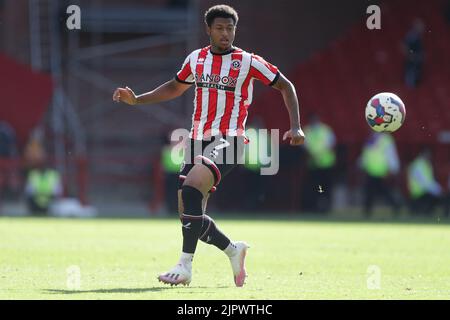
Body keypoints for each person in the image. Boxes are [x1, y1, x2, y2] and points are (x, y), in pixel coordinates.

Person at [113, 4, 305, 287]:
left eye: (230, 28)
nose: (225, 33)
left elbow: (285, 85)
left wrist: (296, 125)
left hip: (230, 139)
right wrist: (137, 99)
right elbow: (175, 86)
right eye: (220, 28)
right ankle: (233, 250)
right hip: (196, 139)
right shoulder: (196, 59)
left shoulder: (248, 61)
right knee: (189, 215)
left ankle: (184, 267)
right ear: (209, 30)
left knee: (191, 189)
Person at [359, 132, 401, 217]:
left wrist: (392, 169)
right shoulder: (371, 137)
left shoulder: (386, 139)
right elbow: (367, 153)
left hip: (382, 171)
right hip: (371, 170)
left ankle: (395, 206)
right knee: (372, 192)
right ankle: (367, 211)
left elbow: (391, 154)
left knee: (382, 192)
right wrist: (362, 164)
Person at [303, 114, 336, 213]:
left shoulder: (326, 130)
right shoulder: (307, 130)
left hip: (326, 164)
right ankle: (316, 207)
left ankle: (326, 207)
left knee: (326, 187)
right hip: (314, 165)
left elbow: (331, 144)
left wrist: (318, 154)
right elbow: (304, 145)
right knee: (316, 188)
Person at [406, 148, 446, 216]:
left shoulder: (427, 165)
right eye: (427, 154)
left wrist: (438, 190)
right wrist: (438, 191)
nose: (428, 156)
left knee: (439, 196)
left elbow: (430, 181)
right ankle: (425, 212)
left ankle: (426, 212)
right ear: (422, 154)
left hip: (424, 192)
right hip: (418, 193)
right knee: (437, 197)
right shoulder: (418, 165)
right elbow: (425, 183)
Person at [403, 19, 425, 88]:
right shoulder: (412, 36)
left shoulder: (419, 37)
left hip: (417, 62)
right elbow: (403, 45)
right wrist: (411, 55)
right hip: (411, 63)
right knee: (410, 81)